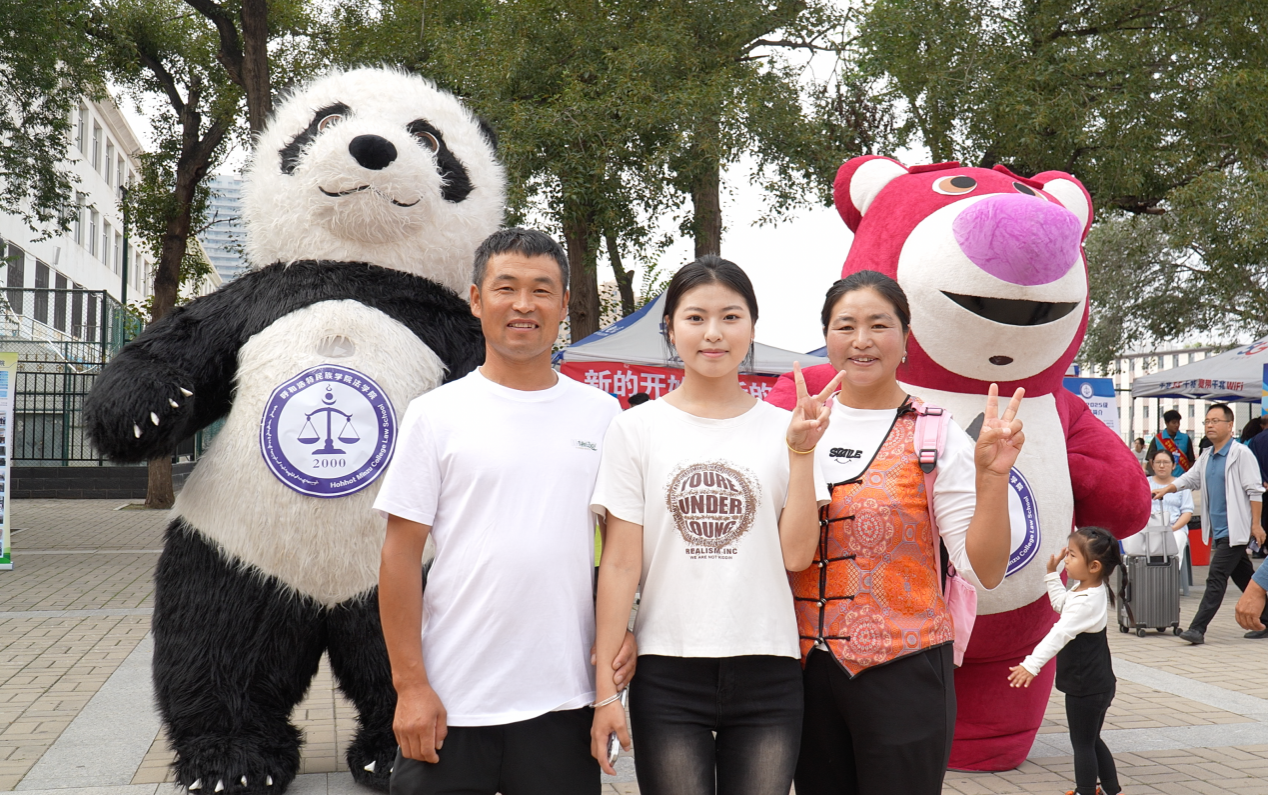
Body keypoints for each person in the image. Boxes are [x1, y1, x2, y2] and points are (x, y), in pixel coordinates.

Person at [375, 228, 637, 795]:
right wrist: (410, 687)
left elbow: (624, 552)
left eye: (541, 290)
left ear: (564, 304)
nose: (524, 304)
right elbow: (399, 557)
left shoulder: (602, 415)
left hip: (563, 699)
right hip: (451, 699)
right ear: (476, 299)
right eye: (506, 288)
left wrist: (625, 632)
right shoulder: (435, 414)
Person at [589, 256, 843, 795]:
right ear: (670, 328)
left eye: (730, 317)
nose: (713, 333)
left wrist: (801, 453)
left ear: (752, 326)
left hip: (768, 667)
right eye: (695, 317)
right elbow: (620, 563)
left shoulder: (787, 428)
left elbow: (797, 556)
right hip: (667, 669)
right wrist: (606, 693)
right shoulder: (635, 429)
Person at [790, 270, 1023, 795]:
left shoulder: (936, 433)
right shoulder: (799, 429)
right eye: (845, 326)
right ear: (826, 336)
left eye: (879, 325)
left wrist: (993, 478)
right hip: (804, 672)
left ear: (905, 339)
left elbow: (985, 570)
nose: (862, 340)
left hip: (904, 668)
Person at [1008, 527, 1124, 795]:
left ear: (1094, 566)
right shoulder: (1087, 589)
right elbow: (1062, 604)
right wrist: (1052, 574)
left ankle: (1086, 791)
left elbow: (1058, 633)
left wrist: (1031, 665)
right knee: (1091, 739)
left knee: (1082, 744)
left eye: (1072, 555)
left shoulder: (1086, 601)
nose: (1066, 560)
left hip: (1086, 687)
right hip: (1098, 683)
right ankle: (1112, 790)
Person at [1152, 403, 1268, 644]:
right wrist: (1167, 489)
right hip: (1219, 530)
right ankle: (1266, 619)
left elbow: (1255, 491)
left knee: (1216, 576)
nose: (1210, 425)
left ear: (1230, 425)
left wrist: (1256, 525)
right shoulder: (1206, 455)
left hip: (1236, 530)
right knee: (1245, 578)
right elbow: (1189, 478)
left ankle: (1197, 628)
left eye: (1216, 421)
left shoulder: (1241, 454)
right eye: (1207, 421)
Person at [1146, 449, 1195, 593]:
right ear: (1152, 465)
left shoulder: (1181, 485)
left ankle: (1168, 583)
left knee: (1175, 541)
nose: (1162, 466)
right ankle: (1146, 582)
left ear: (1173, 465)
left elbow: (1187, 512)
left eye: (1166, 462)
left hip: (1174, 528)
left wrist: (1172, 529)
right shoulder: (1145, 483)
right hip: (1149, 528)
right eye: (1158, 462)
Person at [1146, 409, 1195, 477]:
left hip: (1182, 478)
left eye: (1178, 422)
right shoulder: (1158, 439)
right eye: (1174, 423)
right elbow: (1151, 458)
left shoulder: (1185, 438)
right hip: (1163, 478)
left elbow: (1191, 460)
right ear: (1166, 423)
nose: (1177, 425)